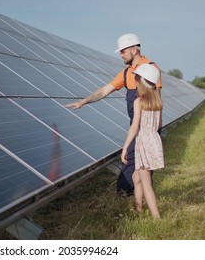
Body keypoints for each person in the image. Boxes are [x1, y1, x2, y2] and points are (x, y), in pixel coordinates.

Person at [64, 33, 162, 195]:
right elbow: (104, 90)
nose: (121, 55)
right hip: (135, 126)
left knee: (138, 165)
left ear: (133, 50)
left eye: (123, 51)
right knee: (134, 164)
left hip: (147, 129)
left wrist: (156, 131)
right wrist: (83, 101)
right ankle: (134, 198)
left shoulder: (151, 69)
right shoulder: (125, 73)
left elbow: (157, 101)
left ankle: (130, 198)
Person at [121, 64, 164, 218]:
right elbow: (159, 125)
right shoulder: (158, 103)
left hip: (143, 143)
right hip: (154, 140)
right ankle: (137, 210)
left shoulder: (138, 102)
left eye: (137, 81)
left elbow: (134, 127)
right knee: (135, 177)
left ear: (142, 84)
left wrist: (125, 147)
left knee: (146, 184)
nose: (136, 84)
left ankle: (157, 217)